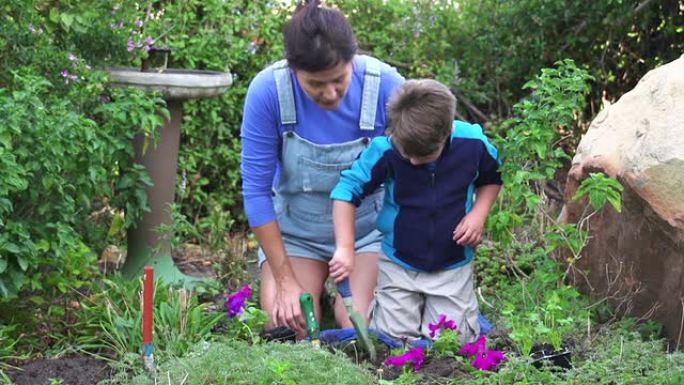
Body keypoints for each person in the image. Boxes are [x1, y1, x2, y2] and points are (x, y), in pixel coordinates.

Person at [240, 0, 405, 337]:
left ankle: (341, 303)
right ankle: (306, 290)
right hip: (297, 233)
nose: (330, 93)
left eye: (339, 80)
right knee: (287, 325)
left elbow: (419, 165)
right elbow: (256, 194)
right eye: (315, 84)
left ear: (352, 61)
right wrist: (285, 281)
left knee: (360, 326)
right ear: (293, 69)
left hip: (367, 232)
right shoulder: (268, 91)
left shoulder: (385, 85)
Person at [330, 79, 502, 343]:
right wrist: (344, 247)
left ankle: (460, 317)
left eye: (421, 157)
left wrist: (478, 214)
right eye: (406, 153)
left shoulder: (473, 144)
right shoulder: (386, 150)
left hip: (452, 263)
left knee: (453, 342)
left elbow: (492, 177)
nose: (411, 161)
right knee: (392, 341)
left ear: (446, 133)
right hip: (399, 263)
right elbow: (346, 191)